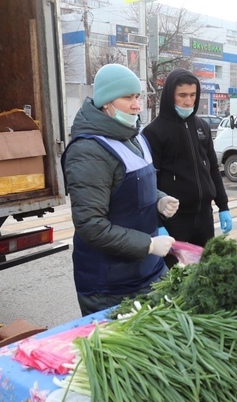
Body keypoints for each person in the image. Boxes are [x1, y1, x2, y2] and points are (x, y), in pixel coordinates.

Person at [62, 64, 180, 316]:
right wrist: (148, 244)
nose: (137, 105)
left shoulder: (135, 137)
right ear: (106, 103)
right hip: (109, 285)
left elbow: (129, 191)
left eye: (137, 96)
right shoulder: (88, 152)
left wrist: (159, 201)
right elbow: (91, 225)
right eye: (127, 97)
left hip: (149, 272)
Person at [143, 68, 232, 264]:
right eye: (182, 95)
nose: (188, 101)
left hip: (203, 216)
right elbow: (149, 182)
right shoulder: (154, 132)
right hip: (174, 219)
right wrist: (157, 223)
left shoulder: (202, 127)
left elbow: (213, 170)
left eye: (193, 95)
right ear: (169, 96)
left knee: (204, 272)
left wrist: (223, 206)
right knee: (175, 279)